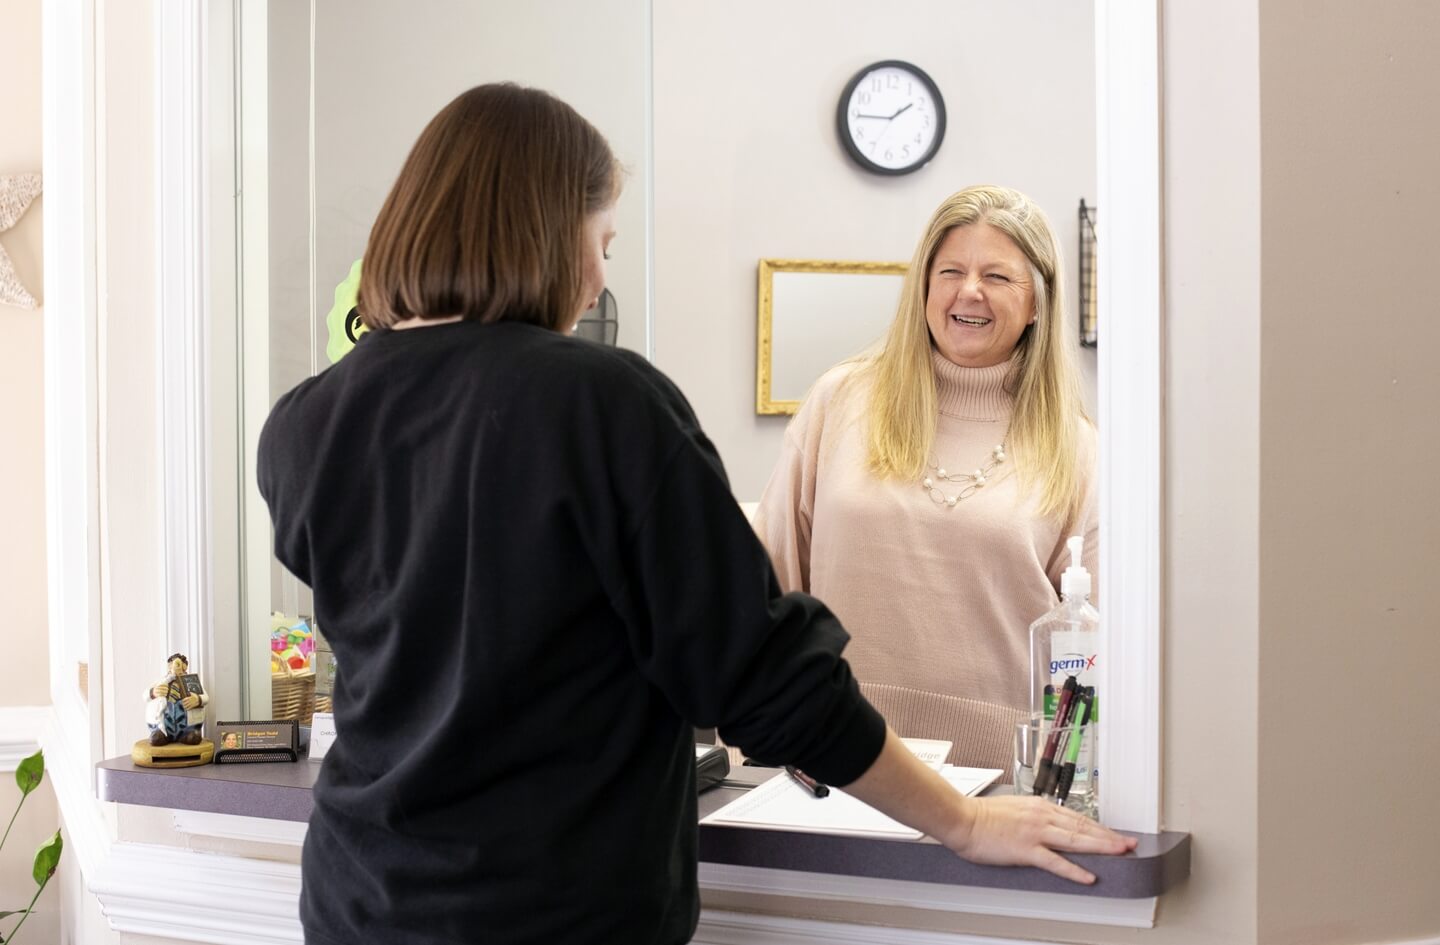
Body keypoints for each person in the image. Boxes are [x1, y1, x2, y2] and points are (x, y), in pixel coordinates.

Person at [257, 86, 1131, 945]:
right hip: (550, 910)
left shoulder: (304, 422)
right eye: (598, 240)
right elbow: (759, 671)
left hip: (356, 899)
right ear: (541, 232)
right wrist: (964, 824)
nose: (599, 275)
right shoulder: (606, 403)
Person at [754, 185, 1098, 773]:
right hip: (828, 755)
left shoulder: (1078, 448)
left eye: (998, 276)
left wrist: (1066, 778)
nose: (970, 291)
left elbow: (1086, 653)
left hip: (1000, 778)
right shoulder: (841, 401)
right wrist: (757, 740)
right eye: (951, 271)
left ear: (1038, 301)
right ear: (924, 287)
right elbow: (770, 581)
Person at [144, 653, 208, 746]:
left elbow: (206, 697)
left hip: (188, 726)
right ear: (169, 666)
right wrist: (153, 692)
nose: (176, 667)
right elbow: (145, 695)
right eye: (173, 664)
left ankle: (188, 734)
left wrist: (198, 699)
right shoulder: (161, 682)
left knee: (193, 738)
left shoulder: (192, 682)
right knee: (156, 739)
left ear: (185, 666)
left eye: (179, 664)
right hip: (164, 726)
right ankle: (162, 733)